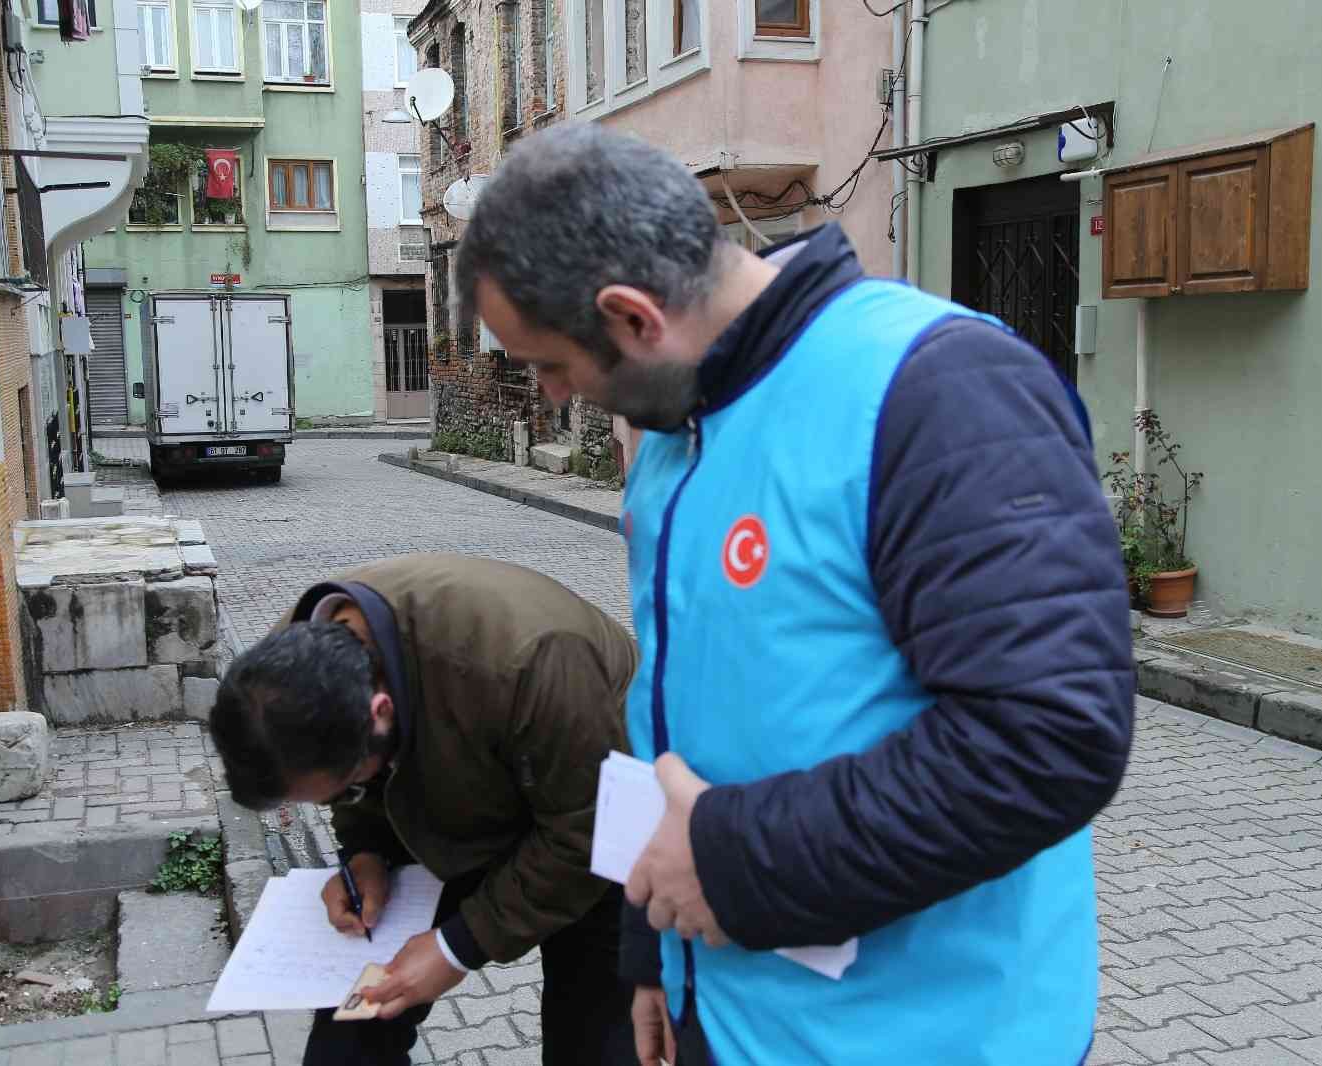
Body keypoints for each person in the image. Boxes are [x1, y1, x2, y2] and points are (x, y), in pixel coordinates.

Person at [457, 124, 1135, 1065]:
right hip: (733, 1012)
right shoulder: (677, 436)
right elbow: (673, 717)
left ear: (632, 317)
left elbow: (1049, 737)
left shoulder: (939, 393)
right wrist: (654, 945)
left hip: (921, 1036)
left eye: (547, 364)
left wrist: (732, 865)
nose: (557, 396)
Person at [209, 553, 640, 1066]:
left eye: (341, 788)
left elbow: (586, 832)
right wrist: (364, 853)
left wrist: (457, 946)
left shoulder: (532, 659)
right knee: (351, 1035)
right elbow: (353, 784)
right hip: (452, 786)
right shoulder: (284, 674)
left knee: (595, 1043)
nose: (334, 801)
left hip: (601, 805)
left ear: (379, 713)